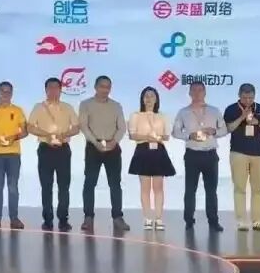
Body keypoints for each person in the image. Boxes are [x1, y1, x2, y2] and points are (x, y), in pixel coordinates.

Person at [78, 75, 130, 233]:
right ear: (95, 87)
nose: (105, 89)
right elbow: (84, 126)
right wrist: (95, 142)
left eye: (108, 87)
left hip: (113, 147)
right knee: (90, 182)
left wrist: (114, 141)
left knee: (115, 184)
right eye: (102, 86)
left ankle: (117, 217)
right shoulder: (86, 104)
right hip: (93, 147)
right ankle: (88, 217)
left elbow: (122, 127)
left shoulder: (116, 106)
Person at [172, 81, 226, 231]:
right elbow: (175, 132)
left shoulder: (214, 111)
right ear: (189, 93)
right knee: (190, 190)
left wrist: (214, 131)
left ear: (205, 92)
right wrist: (189, 135)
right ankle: (189, 220)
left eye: (200, 90)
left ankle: (213, 221)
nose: (197, 93)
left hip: (210, 154)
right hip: (192, 155)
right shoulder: (183, 112)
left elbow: (224, 130)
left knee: (211, 191)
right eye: (194, 90)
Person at [27, 77, 79, 231]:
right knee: (46, 186)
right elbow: (30, 127)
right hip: (45, 149)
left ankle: (63, 219)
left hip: (63, 150)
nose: (53, 91)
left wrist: (65, 134)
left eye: (56, 88)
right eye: (50, 88)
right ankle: (48, 219)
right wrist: (47, 135)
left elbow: (76, 127)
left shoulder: (67, 107)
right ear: (46, 90)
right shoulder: (38, 107)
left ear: (61, 90)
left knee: (64, 186)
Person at [223, 83, 260, 232]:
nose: (248, 101)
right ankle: (241, 221)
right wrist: (242, 117)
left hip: (259, 153)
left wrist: (258, 122)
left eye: (251, 98)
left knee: (258, 188)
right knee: (240, 187)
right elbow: (228, 128)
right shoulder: (231, 109)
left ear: (254, 96)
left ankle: (258, 221)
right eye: (245, 98)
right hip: (238, 152)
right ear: (239, 95)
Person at [128, 86, 174, 230]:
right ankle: (147, 218)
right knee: (145, 188)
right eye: (146, 96)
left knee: (158, 188)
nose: (149, 99)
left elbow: (166, 136)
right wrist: (147, 137)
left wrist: (157, 137)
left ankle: (159, 218)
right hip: (143, 151)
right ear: (142, 99)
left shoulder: (162, 116)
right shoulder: (136, 115)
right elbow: (132, 135)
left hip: (158, 151)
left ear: (156, 99)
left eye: (152, 96)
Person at [0, 81, 27, 230]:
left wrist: (14, 137)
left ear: (12, 93)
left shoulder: (18, 110)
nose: (5, 94)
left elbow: (25, 131)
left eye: (8, 91)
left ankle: (14, 219)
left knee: (13, 187)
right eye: (3, 91)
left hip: (14, 153)